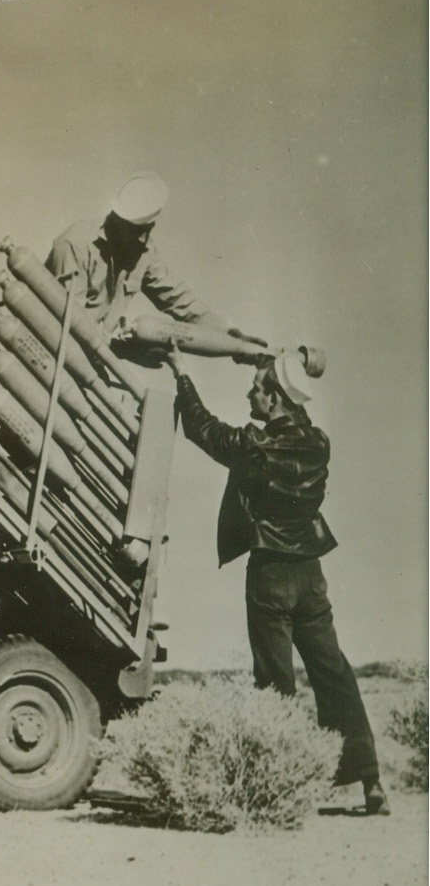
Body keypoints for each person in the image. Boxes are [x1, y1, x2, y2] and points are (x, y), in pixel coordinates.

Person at [165, 345, 389, 815]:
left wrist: (182, 373)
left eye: (257, 389)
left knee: (275, 680)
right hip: (310, 574)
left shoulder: (256, 444)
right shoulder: (318, 443)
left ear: (274, 401)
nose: (250, 393)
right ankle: (370, 781)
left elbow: (204, 430)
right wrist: (267, 365)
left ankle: (281, 783)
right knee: (333, 673)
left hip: (269, 571)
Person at [47, 171, 263, 346]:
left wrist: (229, 337)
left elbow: (179, 299)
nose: (144, 238)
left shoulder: (143, 252)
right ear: (121, 222)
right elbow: (70, 323)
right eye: (139, 231)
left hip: (91, 358)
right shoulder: (75, 244)